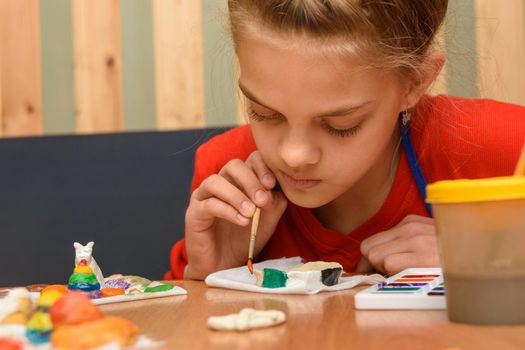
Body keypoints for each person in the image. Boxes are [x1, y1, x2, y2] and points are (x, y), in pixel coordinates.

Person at [165, 0, 525, 280]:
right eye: (264, 113)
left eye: (341, 124)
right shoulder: (227, 180)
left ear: (415, 82)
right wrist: (209, 278)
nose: (294, 155)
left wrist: (485, 260)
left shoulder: (505, 149)